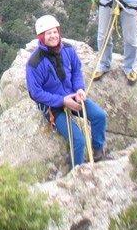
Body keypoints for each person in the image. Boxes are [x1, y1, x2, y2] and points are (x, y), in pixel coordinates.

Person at [25, 15, 107, 166]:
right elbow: (35, 93)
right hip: (53, 107)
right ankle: (76, 171)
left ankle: (98, 151)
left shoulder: (68, 49)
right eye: (49, 33)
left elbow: (76, 70)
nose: (53, 36)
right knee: (78, 140)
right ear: (42, 37)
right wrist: (62, 101)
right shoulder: (35, 63)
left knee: (100, 116)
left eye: (55, 32)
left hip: (73, 95)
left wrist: (79, 89)